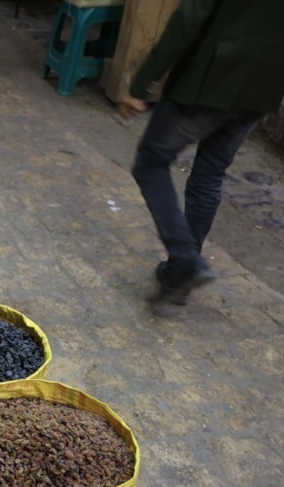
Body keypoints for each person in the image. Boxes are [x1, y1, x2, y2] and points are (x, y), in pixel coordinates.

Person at [118, 0, 284, 305]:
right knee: (209, 174)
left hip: (209, 81)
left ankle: (185, 260)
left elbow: (187, 20)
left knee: (151, 163)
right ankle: (179, 278)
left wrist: (141, 85)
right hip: (261, 90)